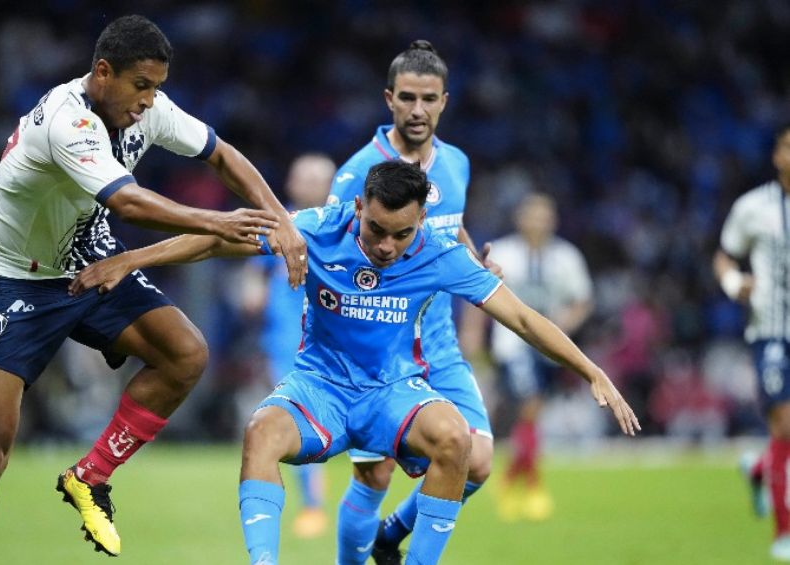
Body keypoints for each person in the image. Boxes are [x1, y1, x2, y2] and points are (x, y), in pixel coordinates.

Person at [70, 160, 641, 565]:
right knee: (261, 433)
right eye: (376, 229)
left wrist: (591, 369)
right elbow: (218, 241)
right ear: (359, 206)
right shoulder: (318, 228)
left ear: (420, 221)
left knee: (456, 440)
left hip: (394, 392)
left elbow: (521, 318)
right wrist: (132, 258)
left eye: (402, 234)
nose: (387, 246)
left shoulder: (440, 255)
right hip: (319, 388)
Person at [0, 15, 307, 564]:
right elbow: (128, 202)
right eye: (141, 86)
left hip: (89, 254)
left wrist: (282, 220)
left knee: (185, 353)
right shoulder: (67, 121)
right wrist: (216, 221)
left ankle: (90, 477)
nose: (149, 101)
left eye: (157, 87)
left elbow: (222, 155)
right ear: (103, 73)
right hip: (15, 277)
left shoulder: (148, 109)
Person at [325, 40, 501, 564]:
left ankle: (390, 535)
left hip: (438, 343)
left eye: (428, 98)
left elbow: (450, 228)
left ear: (445, 100)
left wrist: (474, 263)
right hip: (375, 350)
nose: (417, 110)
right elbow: (328, 253)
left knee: (479, 461)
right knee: (373, 472)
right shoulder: (359, 171)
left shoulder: (458, 164)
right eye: (407, 98)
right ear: (389, 100)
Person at [459, 193, 593, 522]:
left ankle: (509, 481)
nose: (538, 222)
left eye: (544, 216)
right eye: (532, 216)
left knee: (530, 416)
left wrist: (563, 326)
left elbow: (582, 300)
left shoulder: (566, 257)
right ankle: (531, 485)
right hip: (513, 344)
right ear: (520, 219)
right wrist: (472, 335)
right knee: (530, 405)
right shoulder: (503, 251)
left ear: (553, 221)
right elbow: (478, 293)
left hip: (548, 349)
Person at [239, 153, 337, 538]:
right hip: (287, 343)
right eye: (305, 178)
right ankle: (313, 506)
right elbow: (252, 276)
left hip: (340, 341)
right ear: (291, 185)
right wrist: (253, 292)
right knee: (299, 417)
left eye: (320, 178)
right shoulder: (276, 226)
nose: (312, 185)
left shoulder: (347, 227)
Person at [714, 123, 790, 562]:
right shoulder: (754, 207)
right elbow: (725, 252)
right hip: (771, 331)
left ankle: (760, 469)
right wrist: (731, 281)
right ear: (777, 156)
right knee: (784, 425)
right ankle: (784, 532)